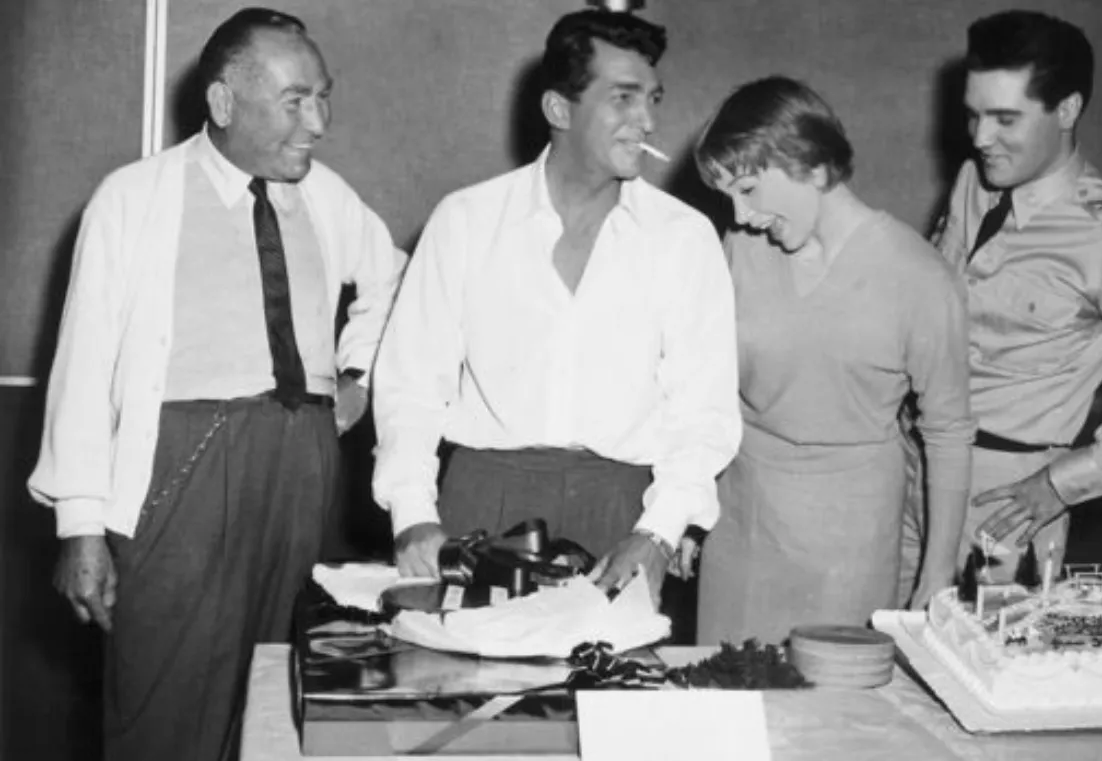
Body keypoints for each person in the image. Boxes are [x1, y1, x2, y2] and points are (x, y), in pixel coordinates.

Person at [27, 8, 406, 760]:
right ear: (224, 101)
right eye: (295, 101)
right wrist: (80, 526)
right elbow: (84, 361)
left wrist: (357, 375)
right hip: (183, 465)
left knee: (278, 690)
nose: (318, 123)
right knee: (163, 699)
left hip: (300, 466)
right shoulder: (133, 198)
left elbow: (393, 282)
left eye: (323, 97)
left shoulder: (325, 195)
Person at [372, 9, 740, 606]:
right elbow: (410, 386)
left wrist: (659, 533)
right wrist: (412, 513)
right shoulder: (466, 221)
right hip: (481, 507)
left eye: (652, 99)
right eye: (623, 98)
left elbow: (705, 413)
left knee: (616, 670)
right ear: (559, 109)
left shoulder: (684, 237)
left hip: (625, 513)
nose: (647, 121)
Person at [901, 10, 1102, 589]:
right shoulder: (973, 182)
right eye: (974, 114)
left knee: (973, 646)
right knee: (877, 639)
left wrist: (1061, 484)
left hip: (1000, 502)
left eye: (1006, 119)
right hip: (908, 465)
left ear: (1068, 110)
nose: (980, 138)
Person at [691, 76, 974, 644]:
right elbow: (702, 386)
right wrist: (690, 511)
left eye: (748, 189)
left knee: (831, 692)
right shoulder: (741, 249)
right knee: (725, 686)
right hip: (743, 517)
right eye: (730, 197)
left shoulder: (918, 275)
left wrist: (937, 573)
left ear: (811, 165)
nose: (741, 215)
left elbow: (948, 431)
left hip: (850, 533)